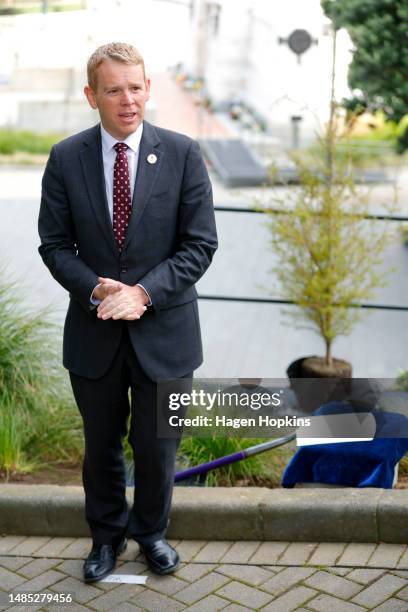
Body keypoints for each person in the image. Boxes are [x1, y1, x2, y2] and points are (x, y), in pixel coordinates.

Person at [38, 42, 217, 582]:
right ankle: (105, 539)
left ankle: (152, 534)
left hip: (166, 331)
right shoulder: (65, 157)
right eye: (114, 89)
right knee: (101, 447)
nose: (128, 100)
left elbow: (199, 245)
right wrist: (97, 290)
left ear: (148, 88)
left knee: (159, 446)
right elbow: (54, 245)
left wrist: (141, 293)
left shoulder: (184, 153)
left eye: (136, 87)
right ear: (92, 95)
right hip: (95, 333)